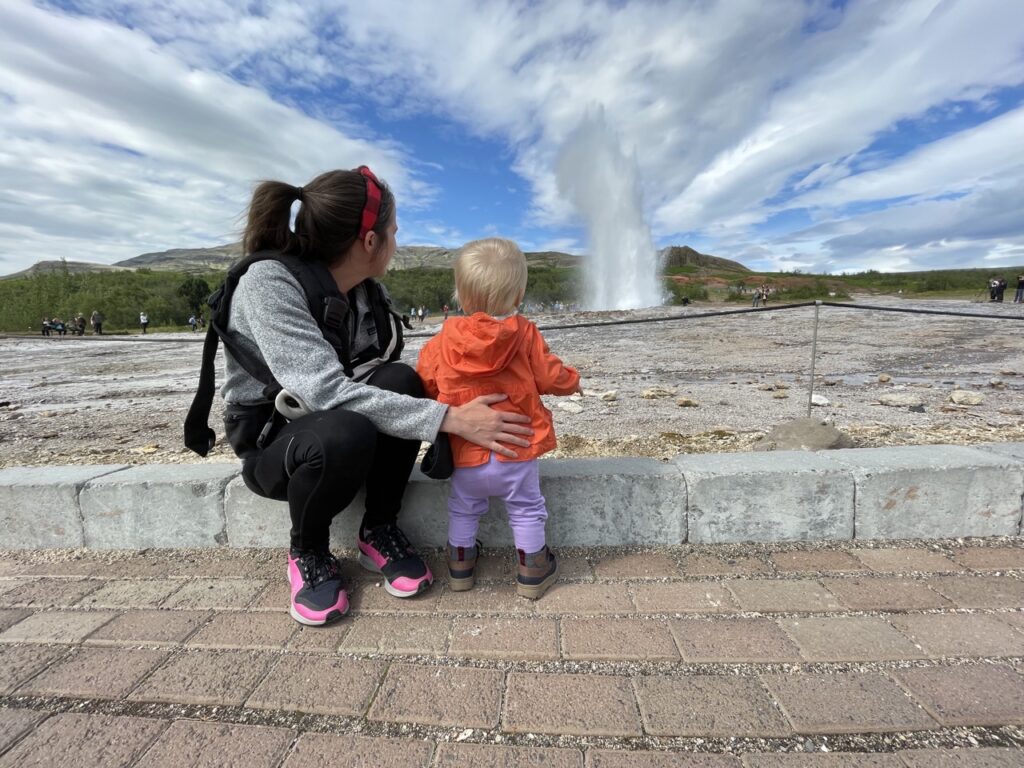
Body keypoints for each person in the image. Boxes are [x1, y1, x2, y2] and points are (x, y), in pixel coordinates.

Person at [192, 167, 532, 627]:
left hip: (334, 426)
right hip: (275, 445)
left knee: (401, 379)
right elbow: (324, 391)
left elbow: (377, 372)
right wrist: (450, 419)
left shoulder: (365, 290)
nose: (396, 242)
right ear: (369, 241)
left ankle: (379, 529)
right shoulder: (269, 284)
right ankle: (308, 552)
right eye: (392, 232)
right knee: (343, 427)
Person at [417, 238, 581, 600]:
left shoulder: (444, 339)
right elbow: (551, 375)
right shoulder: (524, 332)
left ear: (459, 292)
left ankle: (460, 565)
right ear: (519, 293)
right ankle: (532, 571)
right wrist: (574, 381)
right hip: (517, 450)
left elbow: (426, 379)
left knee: (463, 508)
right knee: (526, 509)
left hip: (465, 454)